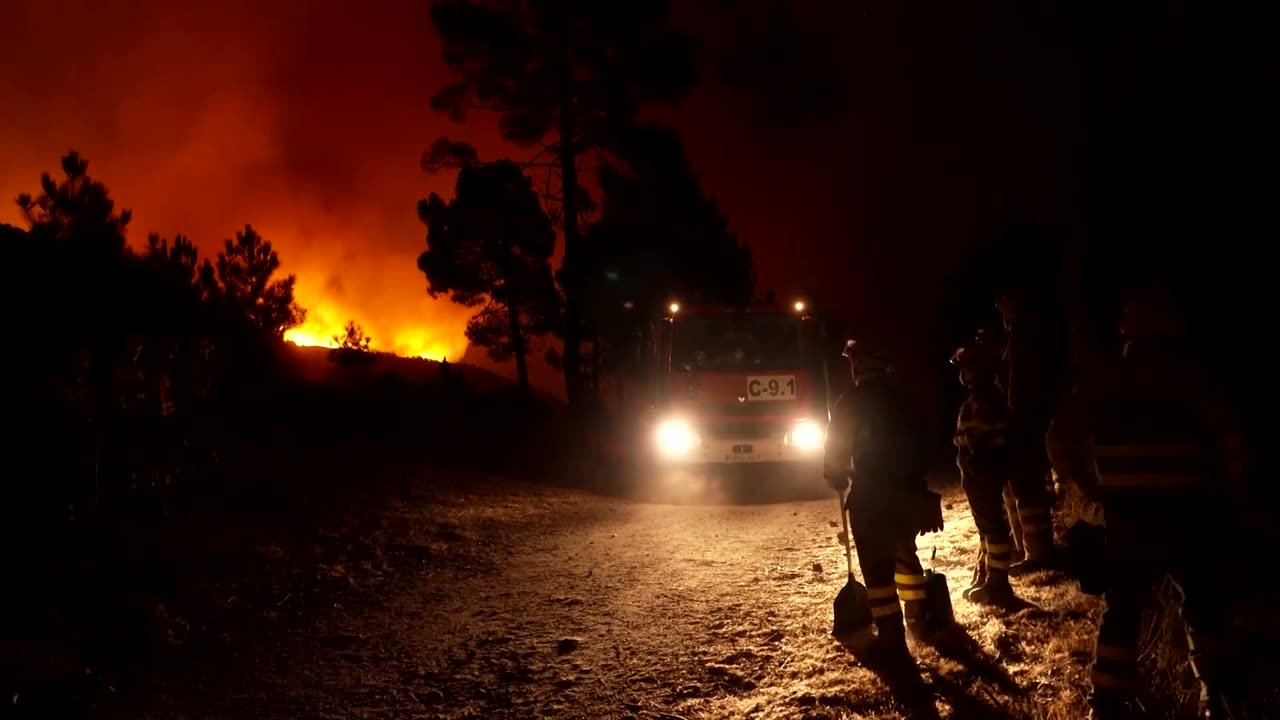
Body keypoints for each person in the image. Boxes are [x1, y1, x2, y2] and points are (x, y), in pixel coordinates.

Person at [1046, 286, 1249, 720]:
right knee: (1203, 603)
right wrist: (1226, 492)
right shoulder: (1193, 381)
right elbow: (1230, 440)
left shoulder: (1104, 380)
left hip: (1127, 514)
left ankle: (1107, 705)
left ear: (1128, 333)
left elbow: (1058, 438)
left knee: (1122, 608)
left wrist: (1088, 489)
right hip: (1188, 511)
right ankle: (1217, 698)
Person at [825, 339, 941, 663]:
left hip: (873, 497)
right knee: (905, 553)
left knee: (877, 572)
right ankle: (919, 617)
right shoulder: (905, 400)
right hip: (910, 494)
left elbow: (836, 448)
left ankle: (892, 639)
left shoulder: (852, 401)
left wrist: (834, 474)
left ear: (858, 365)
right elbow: (926, 441)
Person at [996, 289, 1069, 571]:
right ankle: (1037, 550)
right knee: (1028, 487)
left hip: (1026, 419)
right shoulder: (1034, 337)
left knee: (1026, 487)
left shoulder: (1021, 339)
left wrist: (1013, 419)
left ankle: (1038, 554)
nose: (1003, 314)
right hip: (1033, 418)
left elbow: (1020, 385)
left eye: (1006, 309)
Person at [951, 341, 1021, 606]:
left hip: (982, 469)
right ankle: (986, 576)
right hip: (981, 469)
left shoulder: (984, 398)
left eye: (965, 367)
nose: (962, 372)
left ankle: (998, 584)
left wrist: (967, 455)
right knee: (986, 527)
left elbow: (975, 436)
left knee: (992, 528)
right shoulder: (985, 395)